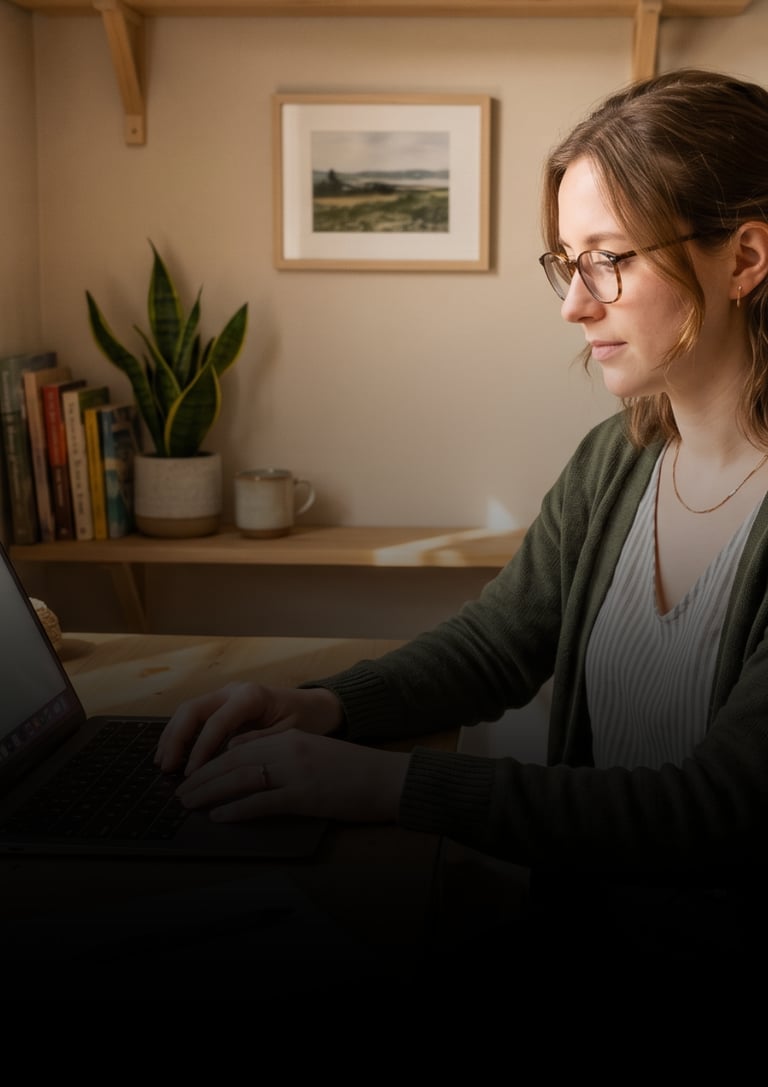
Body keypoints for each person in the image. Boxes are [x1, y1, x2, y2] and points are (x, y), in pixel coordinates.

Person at [155, 69, 768, 968]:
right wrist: (324, 705)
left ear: (747, 258)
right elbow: (497, 644)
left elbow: (716, 810)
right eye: (568, 260)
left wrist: (389, 784)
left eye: (612, 258)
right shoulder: (617, 460)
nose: (574, 303)